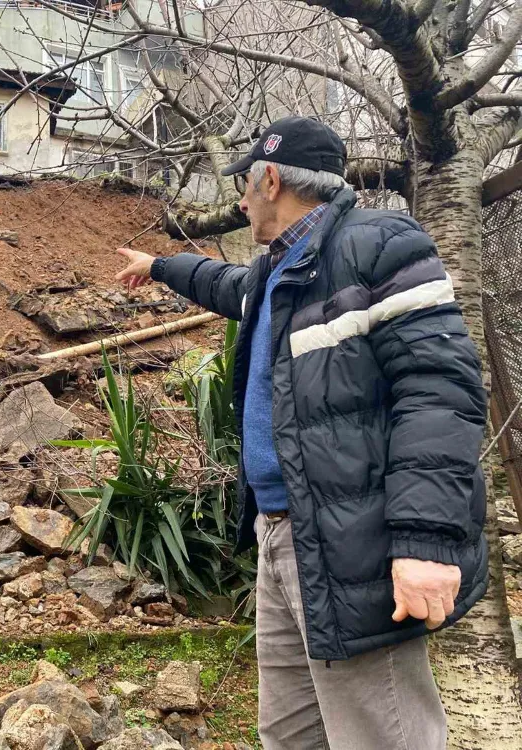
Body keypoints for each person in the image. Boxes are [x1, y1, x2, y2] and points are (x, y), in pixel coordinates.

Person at [115, 116, 488, 749]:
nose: (239, 199)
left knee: (381, 738)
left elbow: (441, 394)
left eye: (244, 186)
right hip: (281, 531)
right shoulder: (277, 271)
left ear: (268, 179)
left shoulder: (379, 245)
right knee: (290, 734)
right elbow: (223, 283)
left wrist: (424, 541)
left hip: (355, 539)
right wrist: (158, 266)